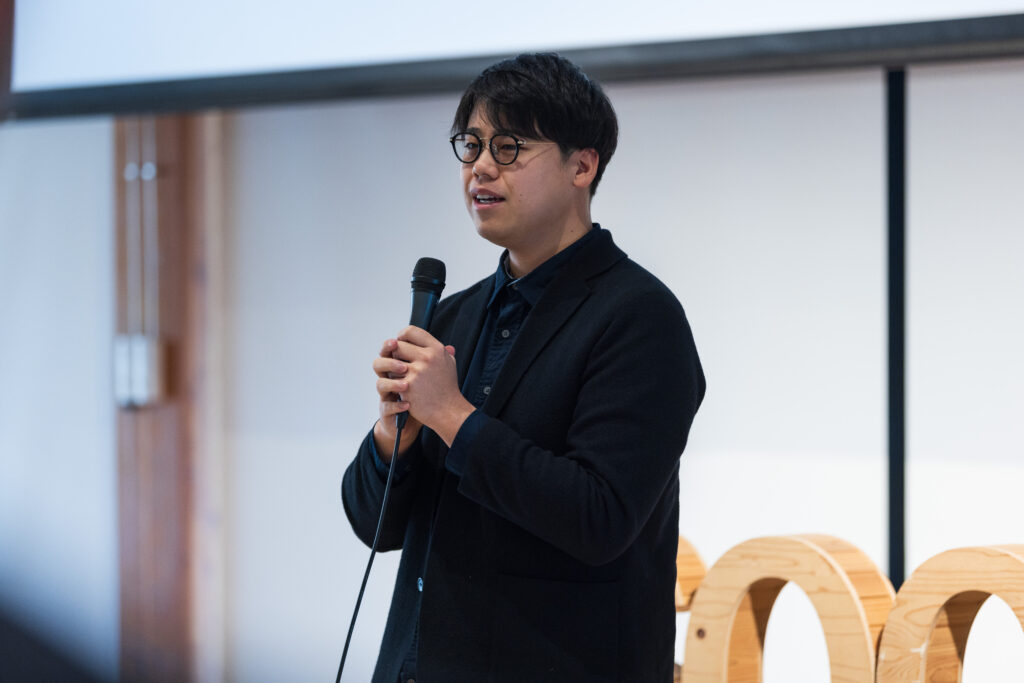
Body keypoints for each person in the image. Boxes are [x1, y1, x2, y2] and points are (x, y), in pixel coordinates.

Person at [342, 52, 705, 683]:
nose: (481, 166)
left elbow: (600, 518)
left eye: (509, 147)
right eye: (471, 145)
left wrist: (453, 417)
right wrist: (392, 438)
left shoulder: (640, 317)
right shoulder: (453, 315)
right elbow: (376, 528)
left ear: (582, 166)